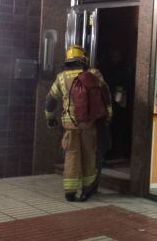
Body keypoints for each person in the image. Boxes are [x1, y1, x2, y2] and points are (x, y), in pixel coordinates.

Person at [45, 45, 113, 202]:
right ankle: (87, 190)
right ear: (83, 59)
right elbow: (106, 95)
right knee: (90, 156)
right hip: (89, 124)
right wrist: (108, 114)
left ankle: (70, 191)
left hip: (70, 126)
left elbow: (50, 100)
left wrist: (49, 117)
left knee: (72, 156)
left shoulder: (61, 78)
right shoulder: (94, 73)